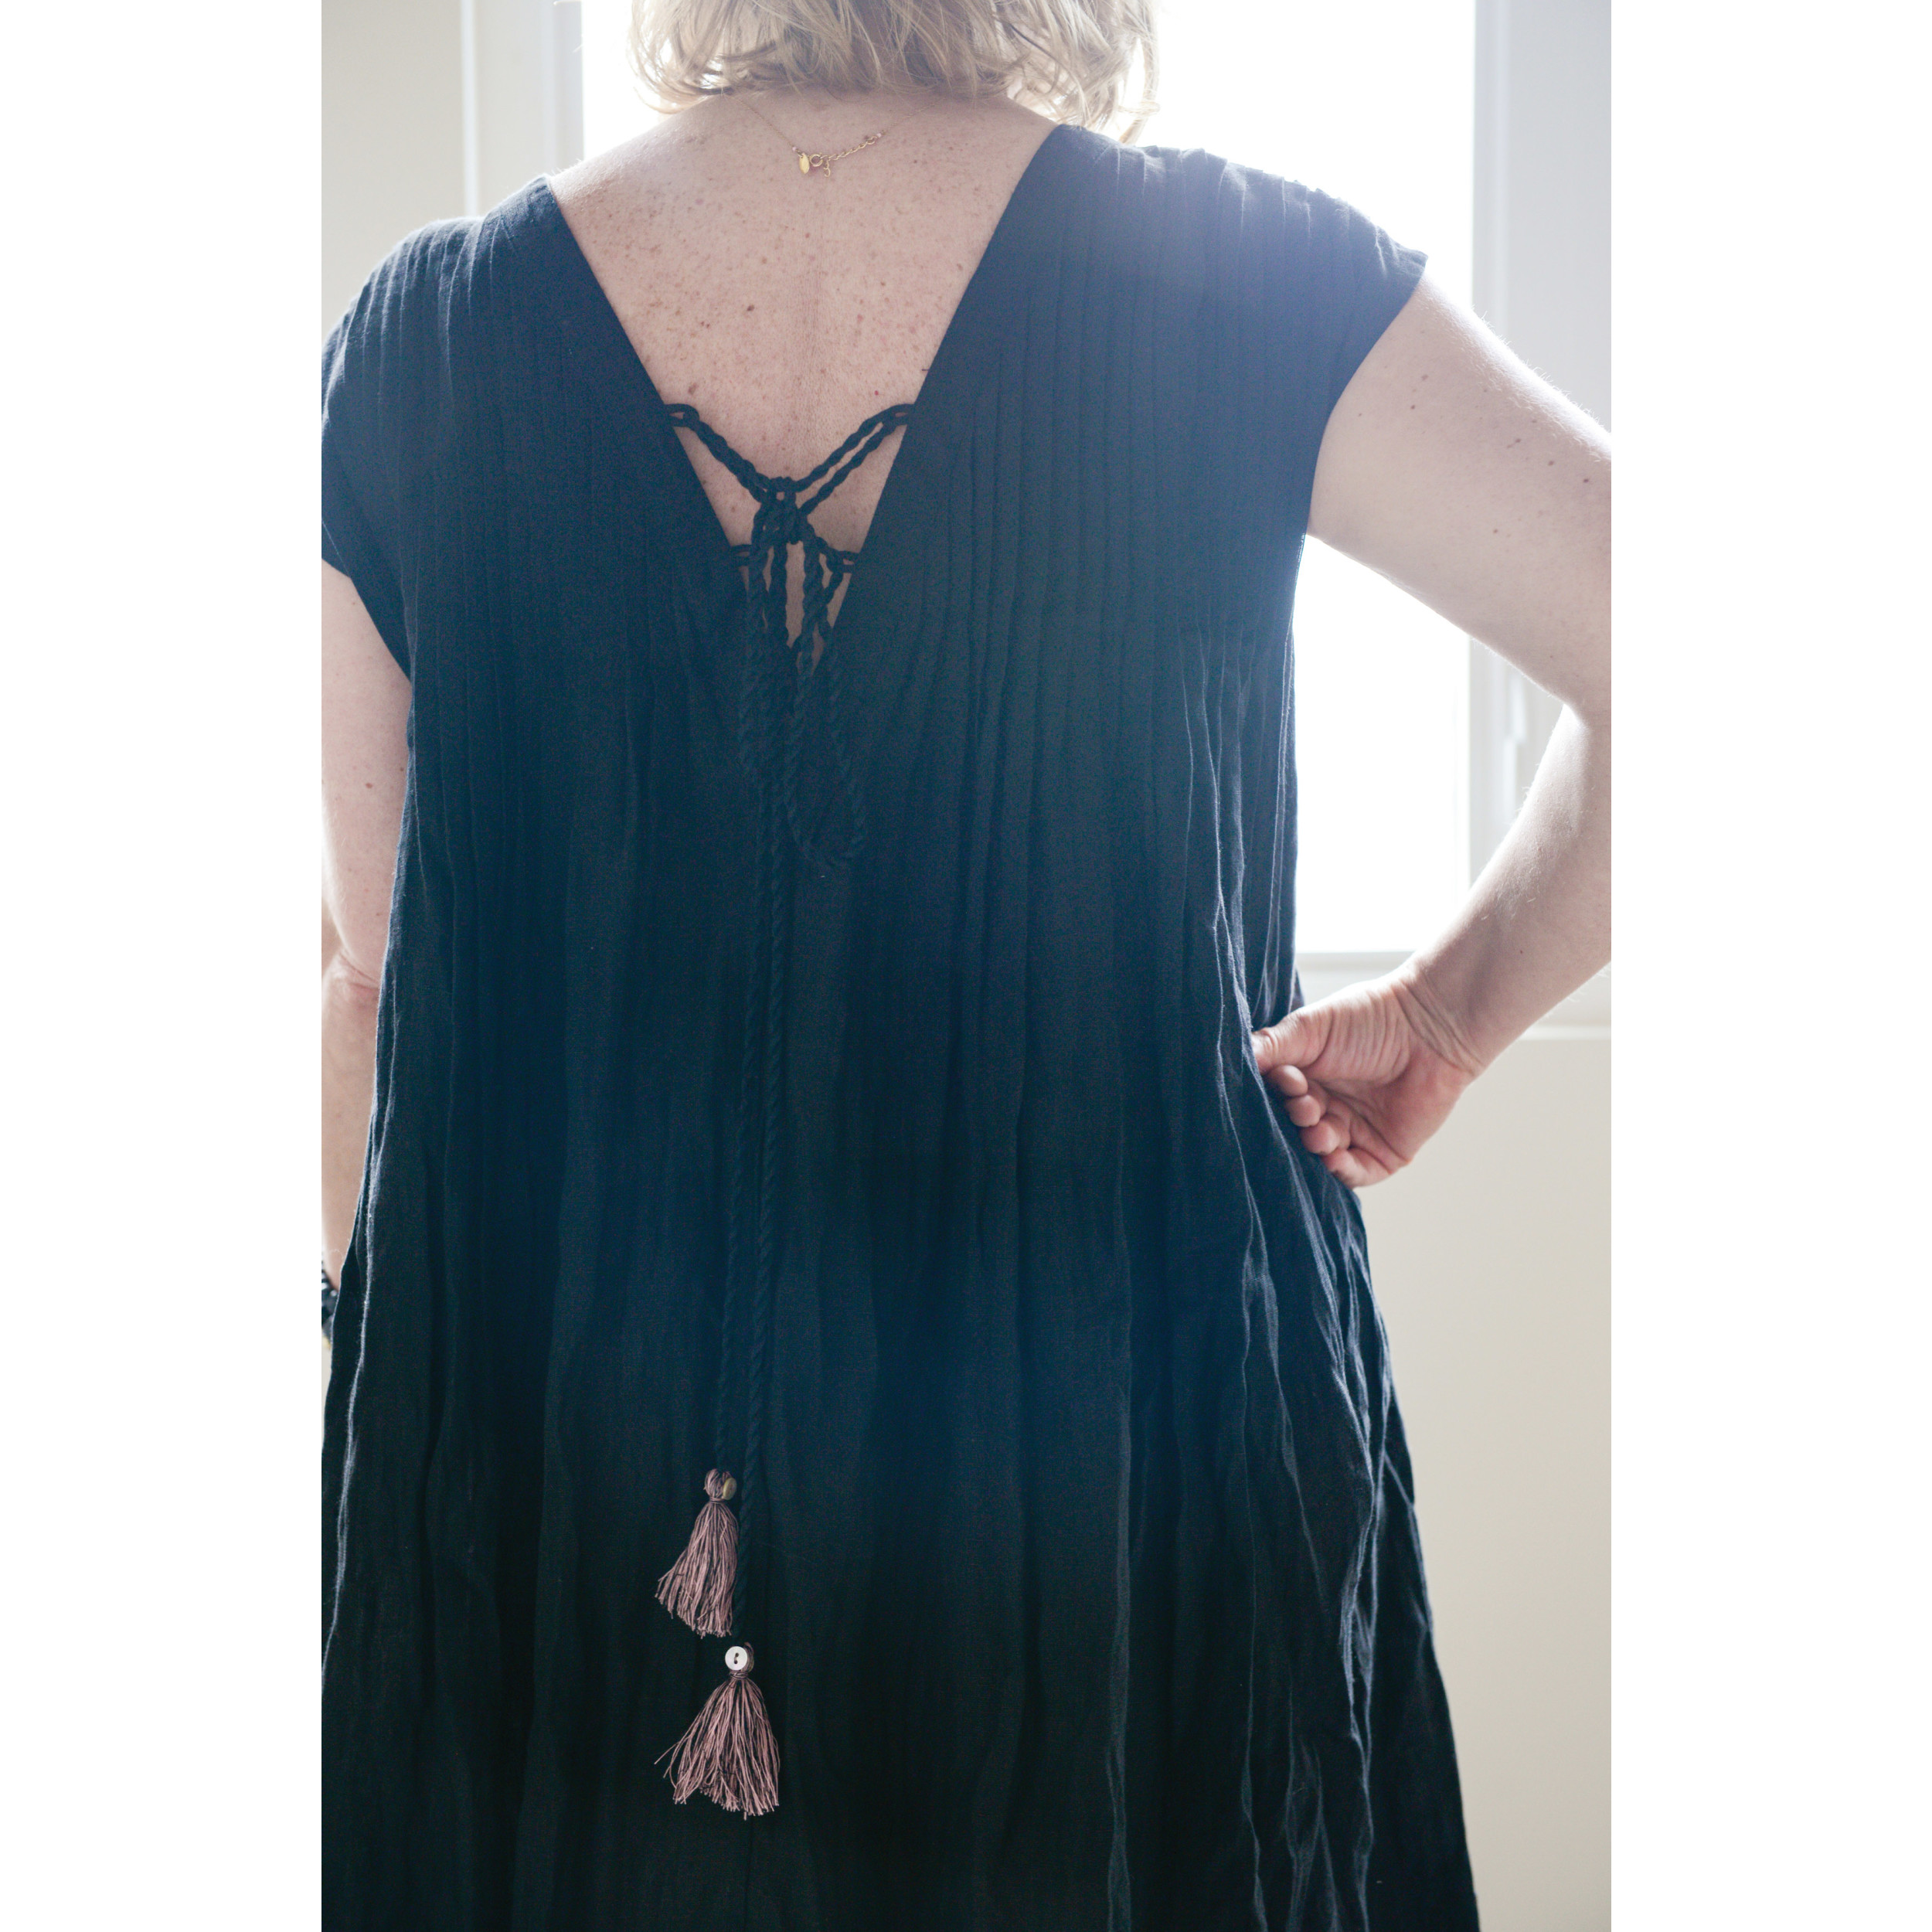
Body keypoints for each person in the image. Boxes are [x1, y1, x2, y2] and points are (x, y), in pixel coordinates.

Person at [319, 2, 1610, 1926]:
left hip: (570, 1494)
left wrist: (433, 1456)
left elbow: (379, 984)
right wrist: (1449, 1013)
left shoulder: (420, 347)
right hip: (1115, 1491)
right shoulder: (1248, 282)